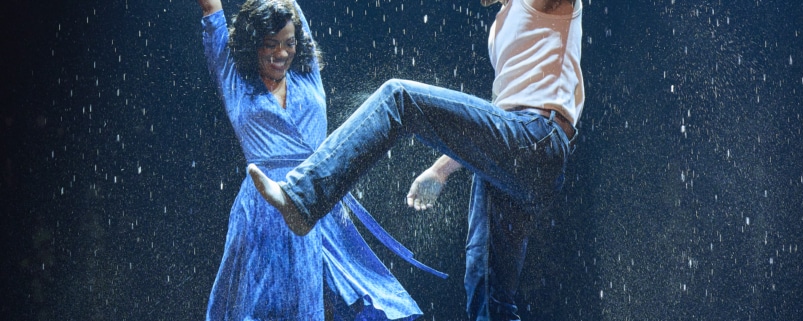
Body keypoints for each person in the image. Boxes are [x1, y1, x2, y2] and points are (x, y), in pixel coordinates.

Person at [248, 0, 583, 319]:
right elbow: (497, 120)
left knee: (399, 98)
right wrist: (439, 171)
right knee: (488, 298)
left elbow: (511, 124)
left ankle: (304, 198)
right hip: (518, 158)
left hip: (538, 135)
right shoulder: (502, 21)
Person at [197, 0, 445, 320]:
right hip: (262, 209)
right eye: (271, 45)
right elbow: (210, 8)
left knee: (340, 300)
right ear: (252, 43)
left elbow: (291, 12)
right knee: (269, 307)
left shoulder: (306, 68)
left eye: (289, 43)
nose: (282, 53)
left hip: (320, 197)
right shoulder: (232, 76)